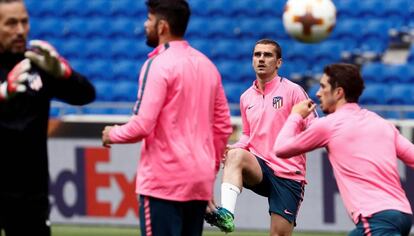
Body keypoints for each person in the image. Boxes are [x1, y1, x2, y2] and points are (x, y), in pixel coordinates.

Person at [101, 0, 232, 235]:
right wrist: (208, 171)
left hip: (164, 182)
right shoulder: (208, 66)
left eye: (149, 19)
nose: (145, 24)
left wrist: (112, 134)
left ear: (162, 26)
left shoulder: (157, 64)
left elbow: (142, 125)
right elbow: (223, 127)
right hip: (198, 182)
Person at [274, 63, 413, 235]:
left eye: (323, 86)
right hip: (403, 214)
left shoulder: (329, 126)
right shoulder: (381, 123)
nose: (318, 93)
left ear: (339, 92)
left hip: (376, 218)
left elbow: (280, 148)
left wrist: (295, 115)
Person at [0, 0, 96, 235]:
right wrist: (2, 93)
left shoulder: (38, 63)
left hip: (31, 195)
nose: (20, 30)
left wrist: (64, 74)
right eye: (11, 24)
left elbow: (86, 95)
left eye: (24, 22)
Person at [205, 38, 316, 235]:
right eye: (257, 55)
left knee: (278, 234)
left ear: (278, 62)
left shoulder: (293, 91)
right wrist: (235, 147)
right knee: (236, 154)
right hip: (260, 166)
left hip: (288, 174)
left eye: (267, 55)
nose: (261, 59)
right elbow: (248, 134)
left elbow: (313, 126)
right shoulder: (246, 97)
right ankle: (226, 215)